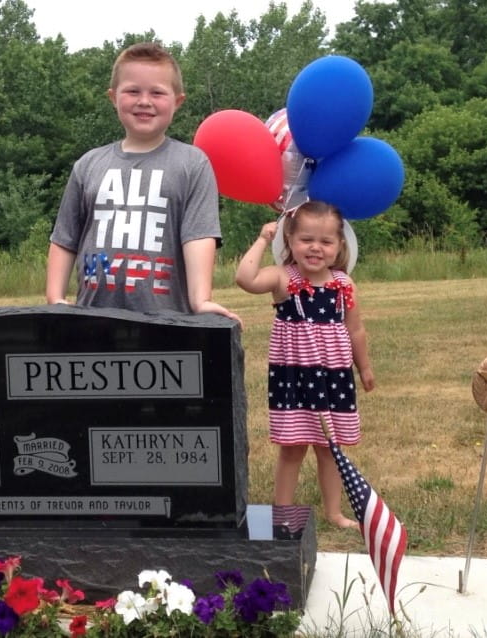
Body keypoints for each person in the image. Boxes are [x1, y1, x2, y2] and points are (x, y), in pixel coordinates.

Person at [46, 41, 237, 321]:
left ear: (177, 101)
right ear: (113, 97)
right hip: (91, 320)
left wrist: (201, 301)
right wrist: (55, 299)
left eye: (157, 92)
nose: (144, 101)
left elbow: (199, 237)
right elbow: (64, 239)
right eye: (133, 91)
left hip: (168, 323)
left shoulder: (192, 163)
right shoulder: (88, 164)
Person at [235, 200, 375, 528]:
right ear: (290, 241)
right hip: (295, 376)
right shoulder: (283, 278)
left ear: (340, 246)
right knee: (293, 446)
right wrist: (263, 239)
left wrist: (364, 367)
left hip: (333, 376)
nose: (315, 248)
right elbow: (245, 278)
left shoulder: (343, 284)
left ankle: (334, 512)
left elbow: (356, 329)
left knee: (330, 447)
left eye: (326, 242)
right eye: (306, 240)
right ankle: (282, 514)